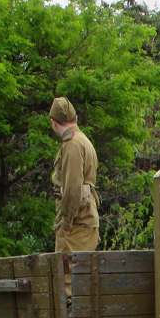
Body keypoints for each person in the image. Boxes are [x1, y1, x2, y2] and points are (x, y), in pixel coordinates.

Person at [49, 96, 99, 254]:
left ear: (53, 122)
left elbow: (72, 187)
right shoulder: (83, 140)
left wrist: (66, 223)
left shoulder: (72, 144)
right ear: (75, 118)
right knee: (83, 274)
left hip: (77, 224)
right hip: (84, 220)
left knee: (68, 274)